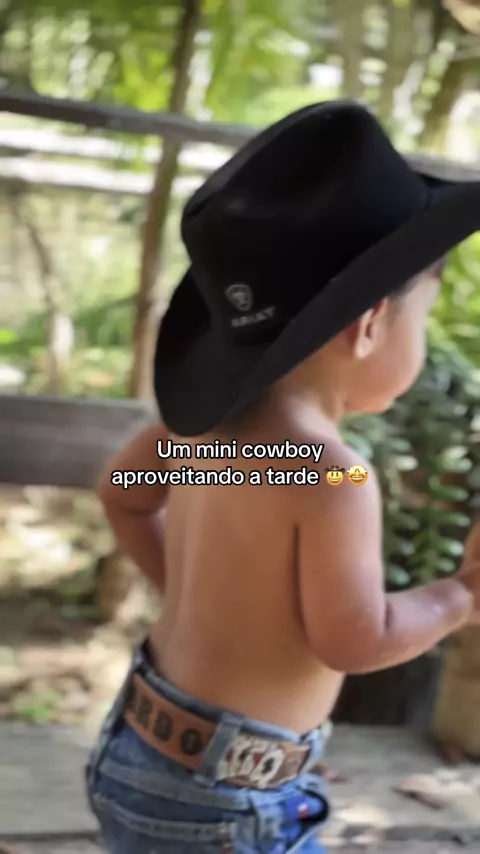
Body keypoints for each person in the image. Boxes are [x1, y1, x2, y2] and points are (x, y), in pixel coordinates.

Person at [86, 101, 480, 853]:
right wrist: (460, 596)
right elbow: (356, 640)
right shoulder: (331, 477)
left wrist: (209, 601)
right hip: (223, 801)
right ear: (370, 325)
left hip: (141, 745)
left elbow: (124, 498)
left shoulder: (204, 432)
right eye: (423, 321)